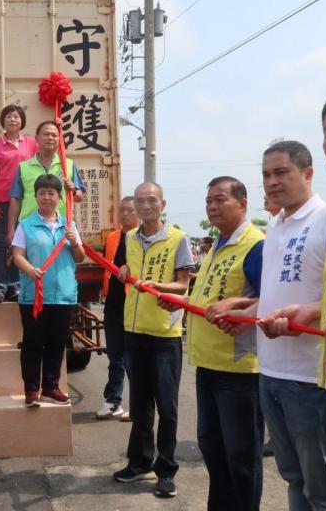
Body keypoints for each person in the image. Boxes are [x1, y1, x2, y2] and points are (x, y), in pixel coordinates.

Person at [248, 141, 326, 511]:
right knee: (293, 477)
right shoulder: (275, 225)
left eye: (281, 172)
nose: (272, 182)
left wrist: (311, 313)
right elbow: (273, 293)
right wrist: (243, 306)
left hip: (309, 375)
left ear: (308, 172)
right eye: (266, 175)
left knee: (323, 488)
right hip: (269, 370)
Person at [111, 183, 193, 498]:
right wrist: (125, 268)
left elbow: (184, 285)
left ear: (162, 204)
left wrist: (157, 285)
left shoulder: (178, 238)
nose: (145, 206)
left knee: (167, 408)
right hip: (134, 332)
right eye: (140, 201)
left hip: (163, 335)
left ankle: (166, 469)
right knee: (139, 405)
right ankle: (139, 462)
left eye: (151, 200)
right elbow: (125, 267)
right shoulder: (130, 238)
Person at [189, 176, 265, 511]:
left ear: (242, 203)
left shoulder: (255, 245)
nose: (212, 207)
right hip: (208, 363)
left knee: (241, 456)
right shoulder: (217, 244)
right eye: (208, 201)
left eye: (220, 200)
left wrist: (239, 307)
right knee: (212, 448)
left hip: (239, 370)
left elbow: (273, 299)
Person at [11, 174, 86, 407]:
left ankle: (51, 387)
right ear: (35, 196)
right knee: (33, 343)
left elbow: (80, 258)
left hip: (63, 295)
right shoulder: (25, 225)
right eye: (42, 193)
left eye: (51, 193)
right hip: (34, 295)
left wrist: (74, 242)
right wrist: (30, 270)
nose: (46, 197)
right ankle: (31, 390)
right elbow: (17, 256)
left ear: (59, 197)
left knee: (56, 343)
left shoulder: (69, 225)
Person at [0, 104, 39, 303]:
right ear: (3, 121)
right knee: (2, 244)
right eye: (8, 116)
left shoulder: (32, 143)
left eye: (16, 116)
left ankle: (16, 287)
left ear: (22, 120)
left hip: (27, 201)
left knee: (21, 245)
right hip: (3, 201)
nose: (12, 120)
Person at [6, 120, 85, 248]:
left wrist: (73, 191)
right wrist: (11, 230)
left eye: (54, 135)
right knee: (28, 266)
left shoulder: (68, 165)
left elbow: (79, 197)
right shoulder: (24, 167)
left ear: (59, 139)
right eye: (46, 134)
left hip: (60, 227)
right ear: (37, 138)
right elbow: (15, 199)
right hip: (29, 227)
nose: (50, 138)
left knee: (58, 265)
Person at [96, 197, 138, 421]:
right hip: (112, 304)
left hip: (133, 304)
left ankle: (138, 403)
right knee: (115, 356)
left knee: (132, 357)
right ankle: (113, 400)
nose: (125, 214)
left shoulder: (143, 238)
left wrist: (129, 267)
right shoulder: (112, 237)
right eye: (123, 210)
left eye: (130, 210)